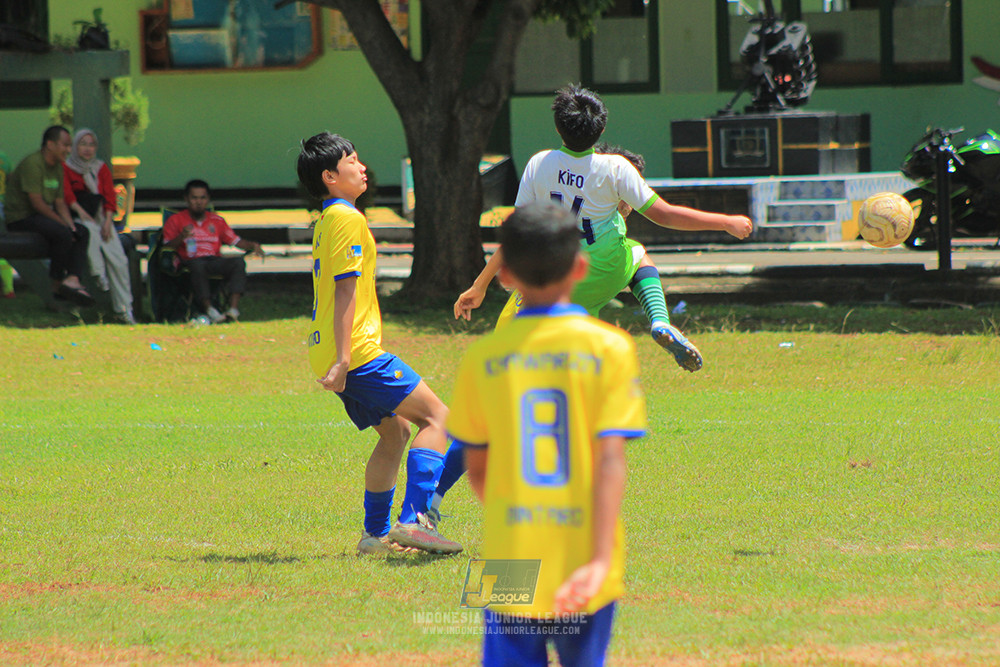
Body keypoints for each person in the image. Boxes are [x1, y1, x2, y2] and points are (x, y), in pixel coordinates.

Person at [448, 203, 646, 667]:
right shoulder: (610, 348)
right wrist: (599, 561)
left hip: (509, 555)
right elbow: (610, 461)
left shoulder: (484, 358)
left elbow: (477, 470)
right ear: (581, 265)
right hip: (586, 554)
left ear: (505, 275)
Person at [454, 84, 754, 373]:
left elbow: (517, 235)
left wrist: (479, 285)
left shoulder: (539, 164)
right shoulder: (616, 168)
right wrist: (725, 221)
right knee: (636, 254)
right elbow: (665, 214)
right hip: (604, 270)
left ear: (558, 128)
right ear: (601, 130)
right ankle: (659, 320)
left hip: (552, 277)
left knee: (522, 355)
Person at [297, 131, 462, 555]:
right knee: (438, 418)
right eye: (353, 160)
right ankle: (414, 522)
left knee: (395, 433)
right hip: (358, 354)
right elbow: (346, 289)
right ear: (330, 176)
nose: (362, 166)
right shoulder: (348, 218)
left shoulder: (327, 220)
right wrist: (347, 358)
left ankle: (374, 536)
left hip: (328, 351)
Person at [2, 126, 94, 306]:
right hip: (22, 218)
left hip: (42, 217)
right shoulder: (33, 164)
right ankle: (57, 283)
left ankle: (73, 279)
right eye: (65, 145)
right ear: (50, 145)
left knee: (81, 232)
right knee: (62, 233)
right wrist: (64, 226)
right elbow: (37, 203)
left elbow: (60, 202)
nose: (69, 150)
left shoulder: (59, 167)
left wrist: (71, 226)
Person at [162, 179, 262, 323]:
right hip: (189, 262)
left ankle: (233, 310)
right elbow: (167, 246)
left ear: (208, 199)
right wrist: (181, 237)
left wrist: (252, 245)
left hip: (213, 260)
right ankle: (210, 310)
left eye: (202, 198)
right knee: (198, 265)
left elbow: (236, 241)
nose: (199, 202)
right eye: (194, 198)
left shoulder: (217, 221)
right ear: (186, 199)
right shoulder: (176, 220)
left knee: (238, 263)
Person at [62, 129, 136, 324]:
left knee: (119, 260)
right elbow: (67, 195)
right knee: (90, 233)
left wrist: (108, 221)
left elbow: (109, 196)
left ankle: (124, 309)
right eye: (83, 144)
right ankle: (98, 274)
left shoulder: (100, 167)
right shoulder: (67, 167)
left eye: (91, 144)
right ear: (76, 146)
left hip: (102, 216)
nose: (87, 149)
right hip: (78, 216)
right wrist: (82, 213)